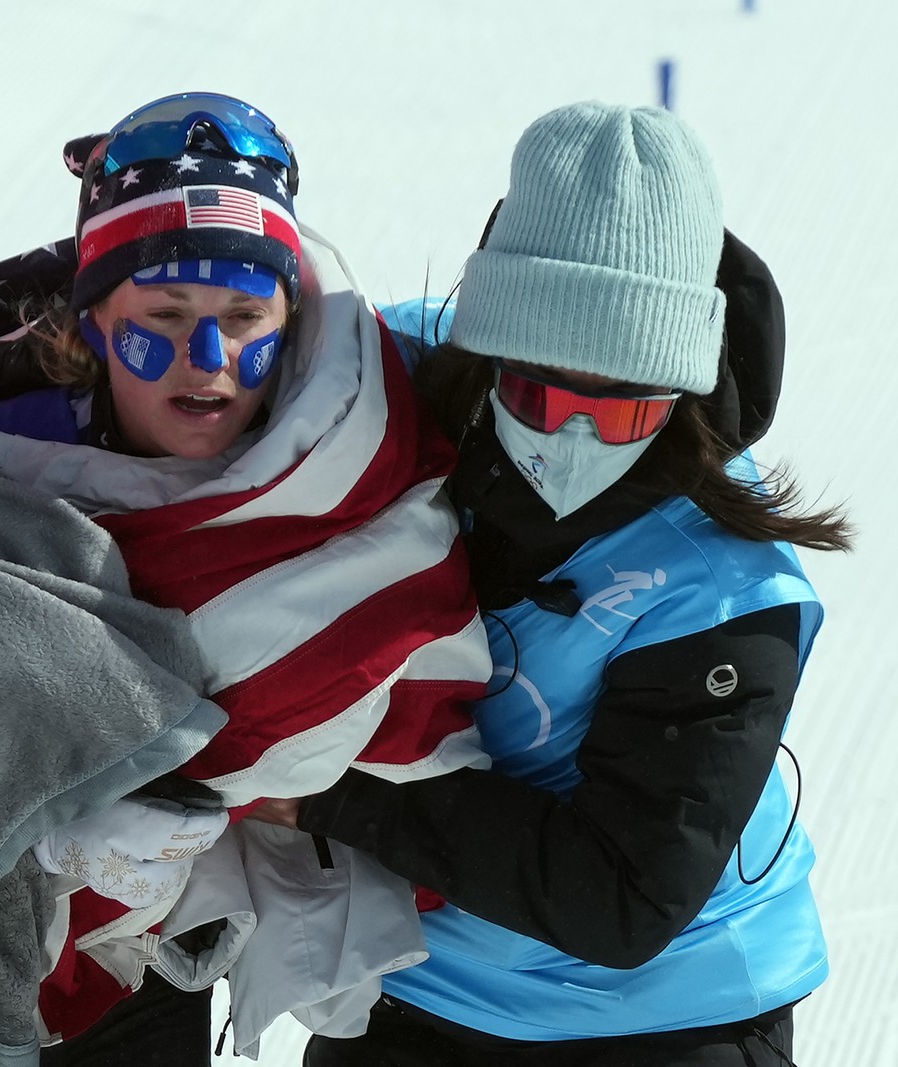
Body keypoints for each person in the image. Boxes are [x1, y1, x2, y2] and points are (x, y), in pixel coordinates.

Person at [0, 93, 494, 1062]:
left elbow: (394, 658)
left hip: (152, 971)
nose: (210, 359)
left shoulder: (350, 465)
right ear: (95, 318)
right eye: (165, 317)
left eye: (242, 317)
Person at [276, 102, 852, 1066]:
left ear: (679, 397)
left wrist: (328, 796)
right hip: (420, 983)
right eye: (541, 395)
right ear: (490, 352)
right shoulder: (398, 386)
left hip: (664, 1014)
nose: (570, 441)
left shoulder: (723, 589)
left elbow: (623, 894)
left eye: (621, 412)